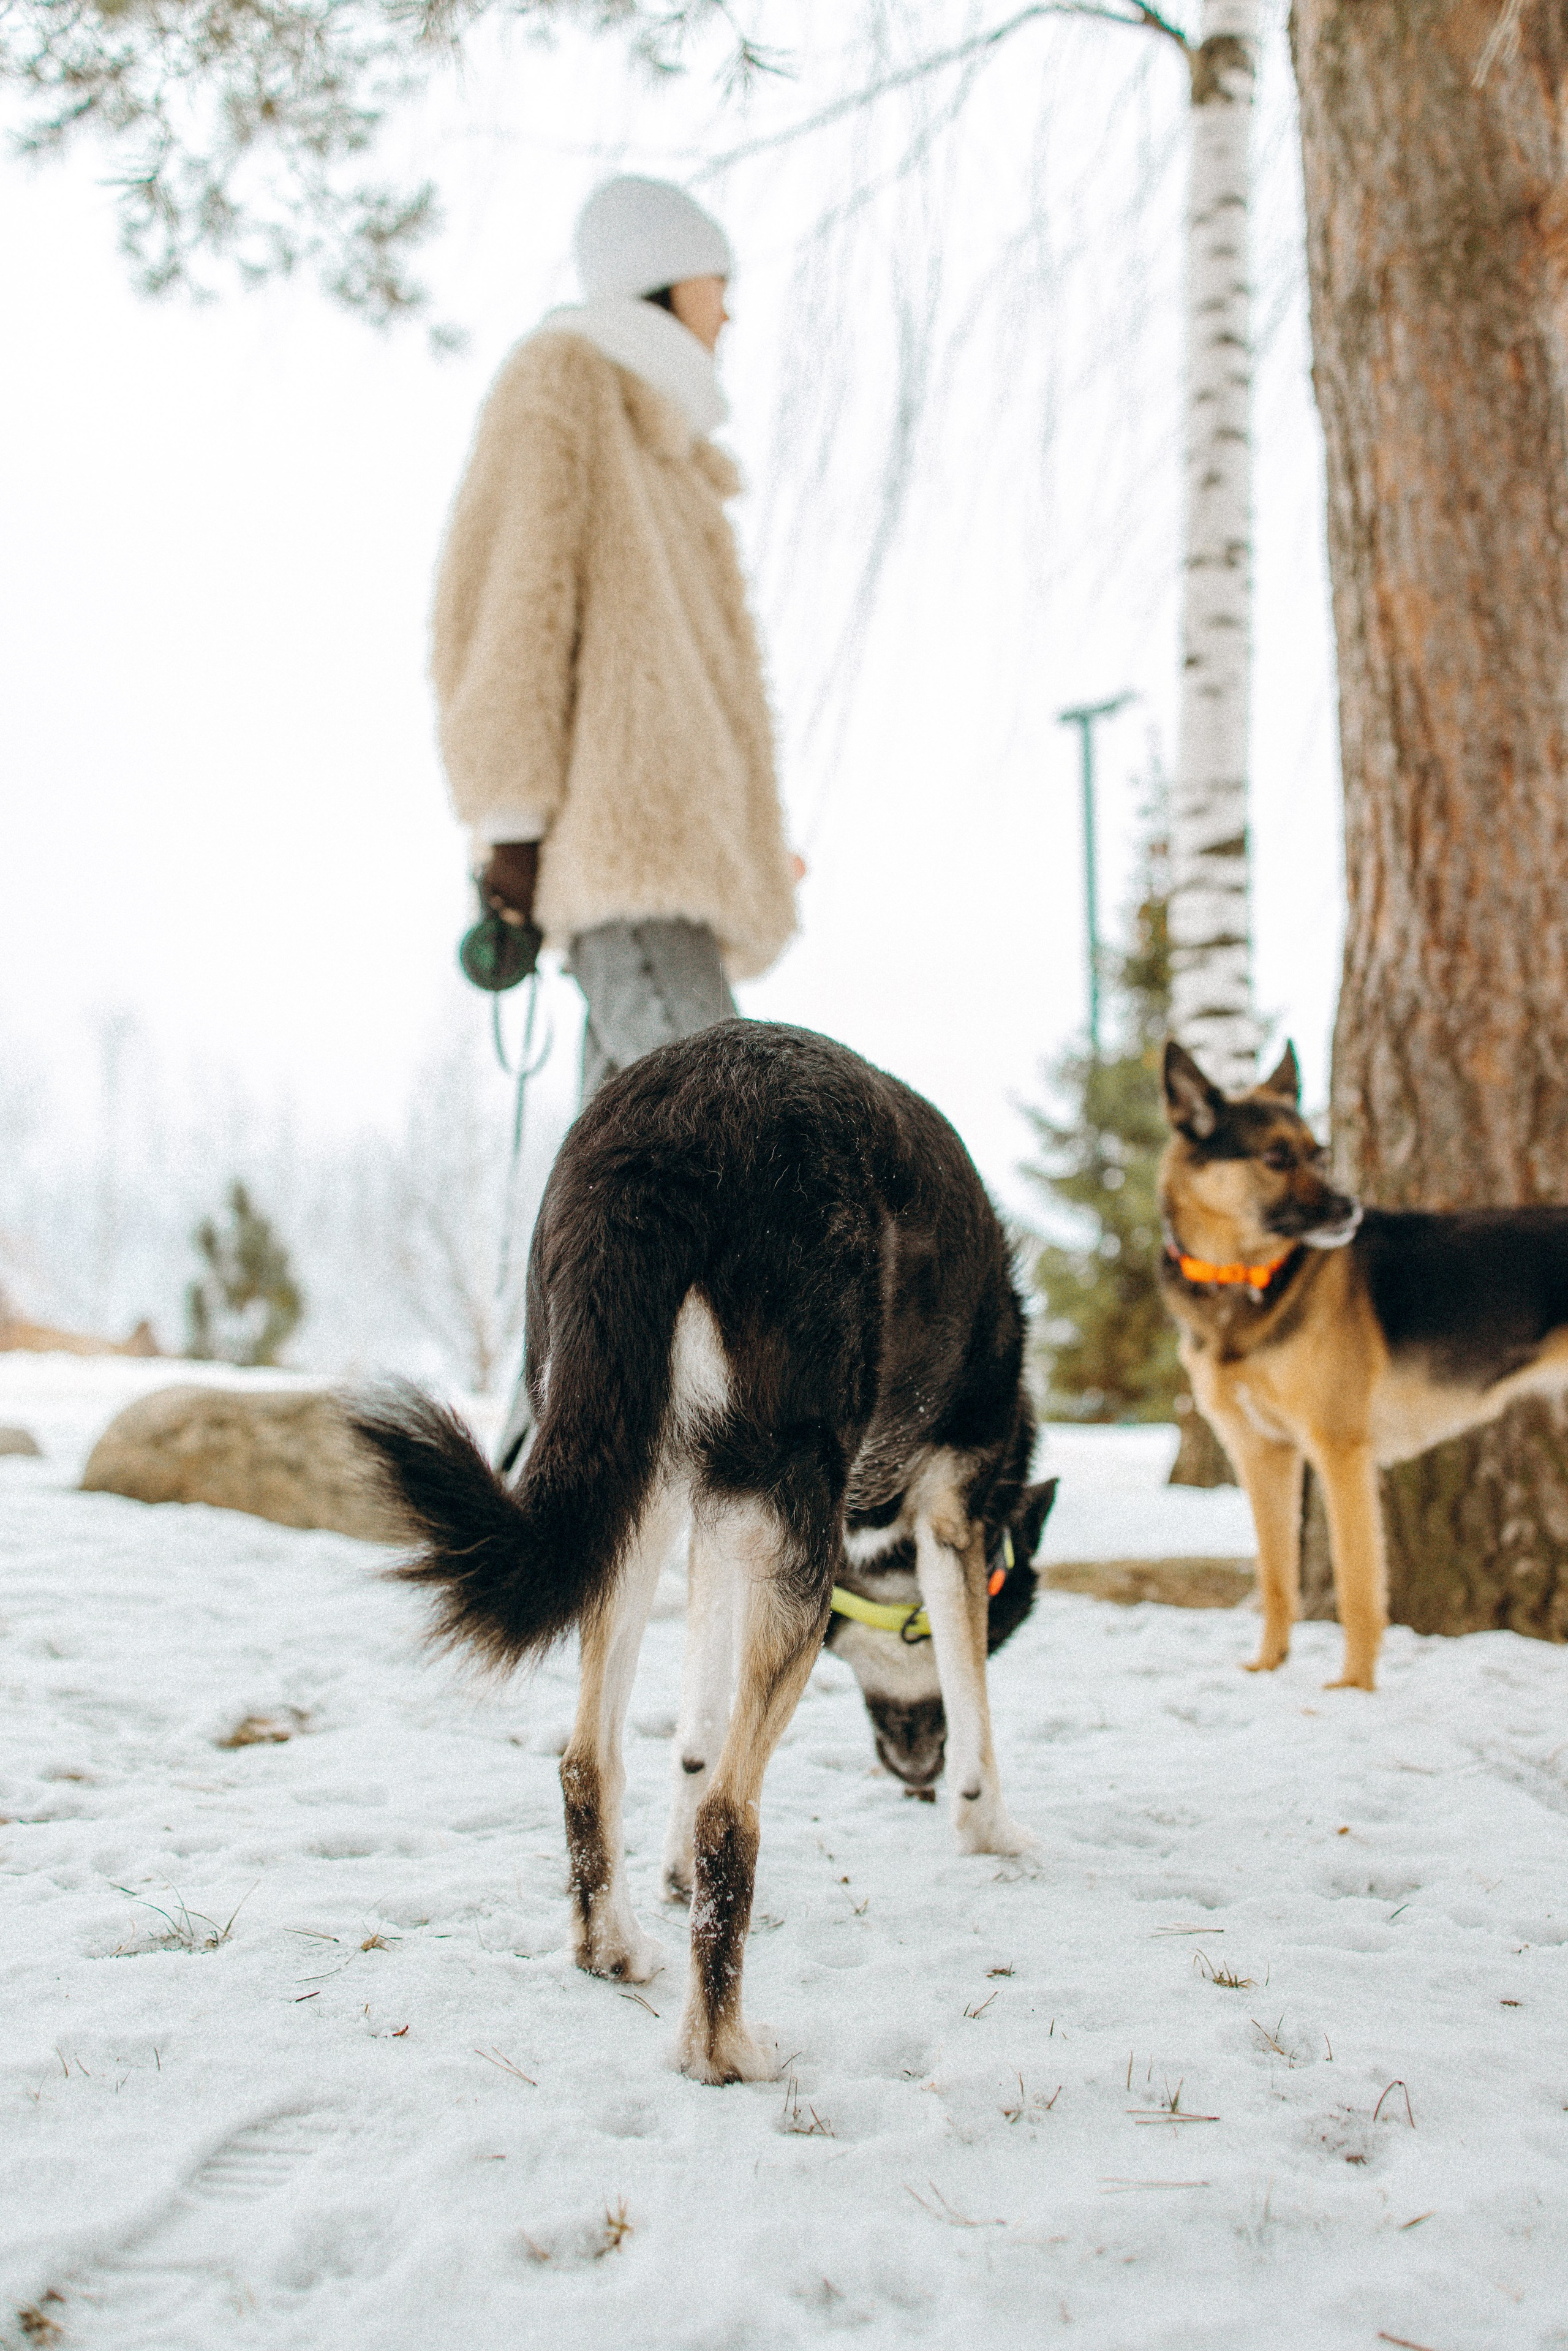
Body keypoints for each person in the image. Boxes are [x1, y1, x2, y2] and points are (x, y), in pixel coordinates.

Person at [430, 173, 801, 1466]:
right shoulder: (565, 386)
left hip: (667, 854)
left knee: (613, 1188)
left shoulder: (673, 448)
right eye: (715, 287)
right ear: (659, 279)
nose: (728, 314)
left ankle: (547, 1472)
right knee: (749, 1137)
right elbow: (512, 606)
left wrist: (749, 836)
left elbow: (690, 695)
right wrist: (513, 831)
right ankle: (781, 1465)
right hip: (618, 854)